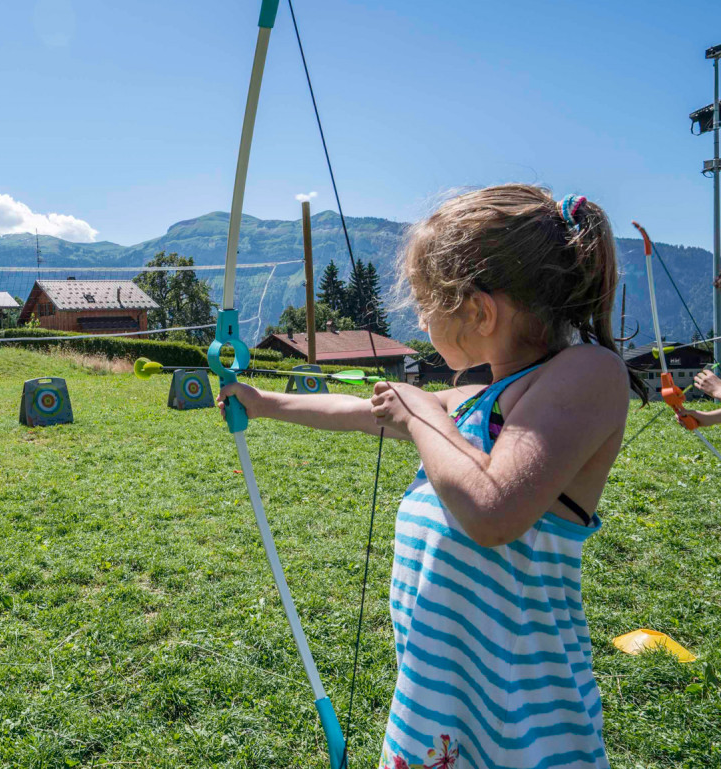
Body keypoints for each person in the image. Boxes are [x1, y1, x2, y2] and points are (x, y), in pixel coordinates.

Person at [219, 185, 639, 768]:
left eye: (424, 301)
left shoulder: (588, 374)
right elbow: (366, 412)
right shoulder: (471, 398)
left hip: (524, 725)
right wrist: (264, 402)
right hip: (436, 708)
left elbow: (493, 510)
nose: (418, 316)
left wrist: (417, 410)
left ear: (479, 310)